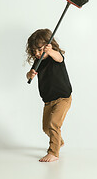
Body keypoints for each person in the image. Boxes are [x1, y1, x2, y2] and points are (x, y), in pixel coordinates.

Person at [25, 28, 72, 162]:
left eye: (40, 50)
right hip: (48, 101)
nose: (37, 53)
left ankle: (53, 152)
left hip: (63, 98)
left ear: (48, 46)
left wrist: (50, 51)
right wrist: (30, 74)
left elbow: (59, 57)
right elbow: (30, 72)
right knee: (46, 128)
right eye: (34, 51)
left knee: (53, 124)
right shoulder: (38, 61)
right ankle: (58, 141)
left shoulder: (54, 57)